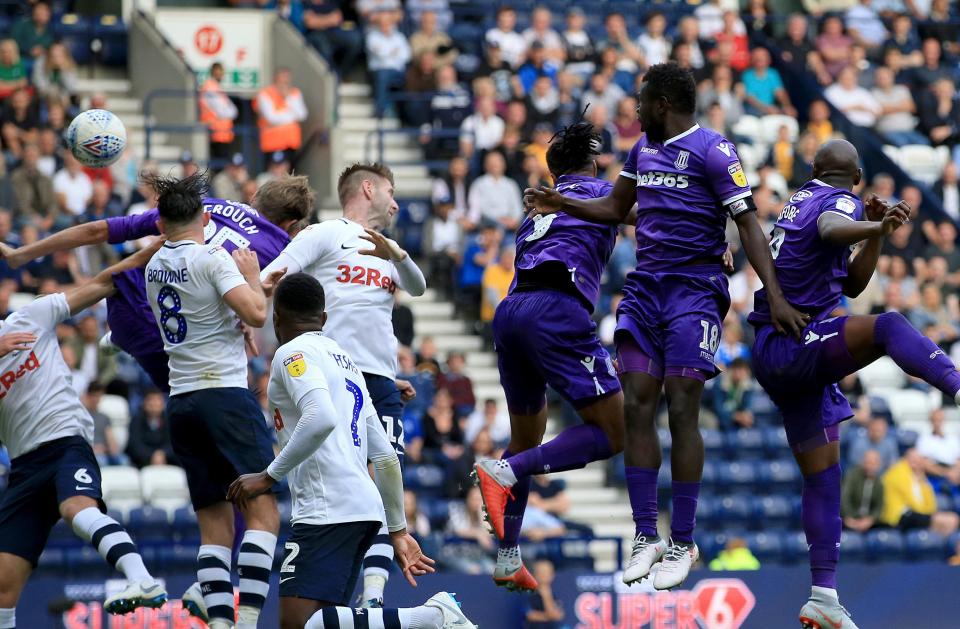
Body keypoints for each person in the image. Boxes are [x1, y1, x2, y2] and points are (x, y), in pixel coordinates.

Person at [524, 62, 807, 590]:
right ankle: (643, 535)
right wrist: (560, 200)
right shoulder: (642, 152)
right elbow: (614, 206)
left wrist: (774, 294)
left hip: (694, 291)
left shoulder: (715, 151)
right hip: (644, 288)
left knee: (681, 403)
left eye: (640, 101)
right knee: (635, 402)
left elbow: (746, 223)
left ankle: (682, 540)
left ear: (661, 104)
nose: (634, 110)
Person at [745, 137, 960, 629]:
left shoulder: (801, 197)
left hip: (780, 352)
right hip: (798, 341)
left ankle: (823, 594)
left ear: (814, 167)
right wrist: (874, 224)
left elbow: (852, 284)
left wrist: (876, 234)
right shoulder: (832, 199)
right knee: (888, 327)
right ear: (857, 177)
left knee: (824, 477)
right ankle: (956, 384)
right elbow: (831, 225)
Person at [226, 273, 475, 629]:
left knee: (300, 624)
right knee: (328, 623)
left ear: (276, 317)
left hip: (326, 509)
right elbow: (386, 456)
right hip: (363, 509)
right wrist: (397, 530)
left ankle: (429, 616)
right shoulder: (345, 361)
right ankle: (428, 617)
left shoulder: (291, 354)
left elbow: (320, 417)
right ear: (324, 318)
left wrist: (268, 477)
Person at [260, 163, 426, 607]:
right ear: (367, 189)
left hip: (380, 379)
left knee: (386, 474)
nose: (395, 202)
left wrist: (395, 253)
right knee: (350, 480)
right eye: (390, 191)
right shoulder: (325, 234)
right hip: (332, 374)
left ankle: (373, 595)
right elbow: (273, 275)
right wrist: (246, 308)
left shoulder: (389, 252)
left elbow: (420, 287)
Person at [474, 119, 624, 591]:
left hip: (511, 311)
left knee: (525, 438)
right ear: (593, 163)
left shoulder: (537, 207)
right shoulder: (601, 191)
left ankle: (507, 554)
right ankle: (506, 472)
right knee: (613, 432)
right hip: (556, 309)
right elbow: (651, 217)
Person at [0, 177, 313, 392]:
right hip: (180, 350)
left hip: (129, 307)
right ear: (290, 224)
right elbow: (255, 306)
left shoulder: (208, 208)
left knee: (122, 273)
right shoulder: (282, 250)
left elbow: (98, 230)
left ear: (255, 196)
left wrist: (23, 253)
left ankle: (121, 333)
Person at [0, 241, 169, 626]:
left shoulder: (30, 317)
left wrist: (159, 245)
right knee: (2, 586)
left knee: (76, 509)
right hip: (24, 468)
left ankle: (141, 580)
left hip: (65, 443)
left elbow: (103, 282)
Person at [143, 173, 284, 629]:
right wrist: (250, 278)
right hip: (224, 394)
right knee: (263, 515)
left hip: (181, 402)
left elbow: (202, 308)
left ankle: (220, 623)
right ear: (205, 218)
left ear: (161, 224)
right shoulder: (212, 258)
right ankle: (245, 621)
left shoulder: (151, 266)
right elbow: (258, 313)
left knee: (214, 529)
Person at [881, 449, 959, 535]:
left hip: (914, 514)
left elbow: (931, 502)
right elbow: (911, 501)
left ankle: (935, 544)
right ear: (907, 458)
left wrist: (923, 481)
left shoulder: (919, 476)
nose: (918, 463)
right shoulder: (898, 471)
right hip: (899, 515)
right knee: (950, 520)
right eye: (914, 460)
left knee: (951, 520)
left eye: (919, 461)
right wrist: (927, 513)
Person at [255, 68, 307, 162]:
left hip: (291, 143)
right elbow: (271, 118)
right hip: (272, 143)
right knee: (274, 175)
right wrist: (291, 116)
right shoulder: (266, 93)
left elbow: (302, 115)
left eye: (286, 81)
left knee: (290, 174)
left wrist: (288, 98)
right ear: (275, 79)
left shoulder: (294, 93)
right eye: (282, 80)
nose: (284, 83)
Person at [125, 389, 177, 469]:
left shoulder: (169, 420)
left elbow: (174, 443)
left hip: (167, 459)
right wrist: (152, 455)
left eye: (157, 400)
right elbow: (135, 444)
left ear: (163, 403)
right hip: (142, 461)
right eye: (150, 400)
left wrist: (163, 454)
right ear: (144, 403)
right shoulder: (136, 420)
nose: (154, 404)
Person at [199, 62, 239, 161]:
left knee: (222, 162)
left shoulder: (216, 87)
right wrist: (230, 112)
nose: (221, 75)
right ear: (213, 72)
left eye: (221, 72)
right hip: (215, 131)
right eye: (218, 72)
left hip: (222, 133)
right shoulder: (210, 87)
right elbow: (223, 111)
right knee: (218, 163)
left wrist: (230, 111)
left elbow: (233, 110)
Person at [841, 449, 885, 533]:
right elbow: (844, 498)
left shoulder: (879, 483)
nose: (870, 466)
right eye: (868, 462)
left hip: (869, 522)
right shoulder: (852, 476)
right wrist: (849, 517)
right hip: (849, 519)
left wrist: (870, 520)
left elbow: (879, 506)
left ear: (878, 465)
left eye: (873, 463)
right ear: (862, 462)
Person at [525, 559, 563, 629]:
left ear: (552, 575)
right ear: (534, 575)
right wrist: (550, 616)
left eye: (547, 573)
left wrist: (546, 595)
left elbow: (558, 615)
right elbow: (530, 615)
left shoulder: (553, 596)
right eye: (540, 573)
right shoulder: (530, 594)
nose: (543, 576)